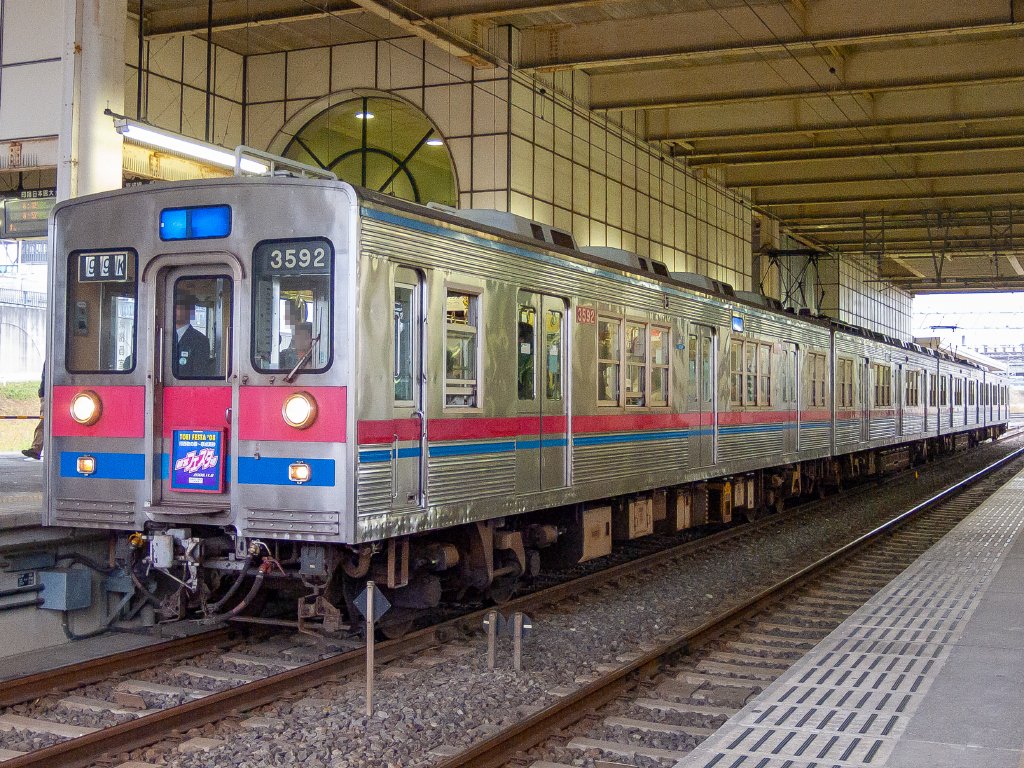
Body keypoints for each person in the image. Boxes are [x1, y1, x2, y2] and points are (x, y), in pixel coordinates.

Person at [173, 295, 211, 377]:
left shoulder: (201, 340)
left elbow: (199, 374)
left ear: (190, 312)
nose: (174, 311)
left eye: (179, 308)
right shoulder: (165, 336)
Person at [22, 363, 44, 460]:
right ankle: (36, 448)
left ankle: (36, 448)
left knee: (44, 423)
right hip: (47, 393)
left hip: (48, 394)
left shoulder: (50, 358)